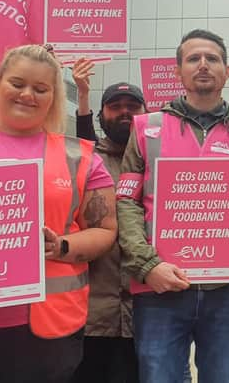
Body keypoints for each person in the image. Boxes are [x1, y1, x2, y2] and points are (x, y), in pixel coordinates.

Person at [117, 29, 229, 383]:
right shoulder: (145, 127)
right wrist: (147, 266)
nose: (203, 65)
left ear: (227, 71)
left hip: (228, 292)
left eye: (212, 58)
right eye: (193, 59)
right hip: (159, 287)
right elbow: (126, 200)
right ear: (178, 71)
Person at [0, 44, 117, 383]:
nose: (27, 94)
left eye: (41, 89)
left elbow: (104, 231)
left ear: (53, 95)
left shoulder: (80, 156)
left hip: (46, 326)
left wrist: (62, 247)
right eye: (17, 83)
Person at [71, 56, 146, 383]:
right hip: (91, 314)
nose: (125, 111)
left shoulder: (161, 162)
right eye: (116, 106)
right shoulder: (82, 160)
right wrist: (83, 93)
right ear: (102, 115)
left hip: (147, 315)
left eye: (133, 105)